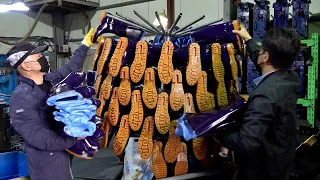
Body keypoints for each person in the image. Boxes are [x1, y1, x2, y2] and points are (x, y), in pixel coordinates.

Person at [8, 28, 101, 180]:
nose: (43, 58)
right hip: (45, 159)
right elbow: (37, 136)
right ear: (26, 66)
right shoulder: (21, 97)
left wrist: (85, 44)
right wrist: (73, 138)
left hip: (62, 150)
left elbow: (71, 68)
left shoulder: (50, 80)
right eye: (38, 56)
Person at [220, 25, 301, 180]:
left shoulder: (264, 96)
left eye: (262, 49)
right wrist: (248, 39)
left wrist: (215, 134)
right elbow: (262, 60)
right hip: (281, 161)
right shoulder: (289, 78)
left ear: (266, 57)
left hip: (263, 172)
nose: (260, 51)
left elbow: (245, 141)